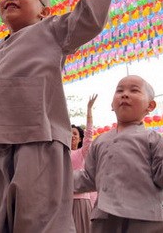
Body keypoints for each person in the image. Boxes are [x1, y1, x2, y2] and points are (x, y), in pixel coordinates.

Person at [0, 0, 115, 233]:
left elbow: (90, 18)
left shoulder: (52, 30)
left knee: (38, 219)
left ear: (44, 12)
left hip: (39, 139)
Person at [74, 75, 163, 232]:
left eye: (134, 90)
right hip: (106, 221)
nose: (125, 94)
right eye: (120, 91)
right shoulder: (100, 141)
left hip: (148, 221)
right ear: (112, 104)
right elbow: (89, 178)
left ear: (150, 106)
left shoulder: (153, 138)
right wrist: (59, 178)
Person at [71, 94, 97, 233]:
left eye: (75, 133)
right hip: (64, 201)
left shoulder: (82, 152)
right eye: (69, 133)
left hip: (81, 201)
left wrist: (89, 110)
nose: (72, 135)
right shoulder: (60, 154)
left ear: (80, 138)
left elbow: (89, 136)